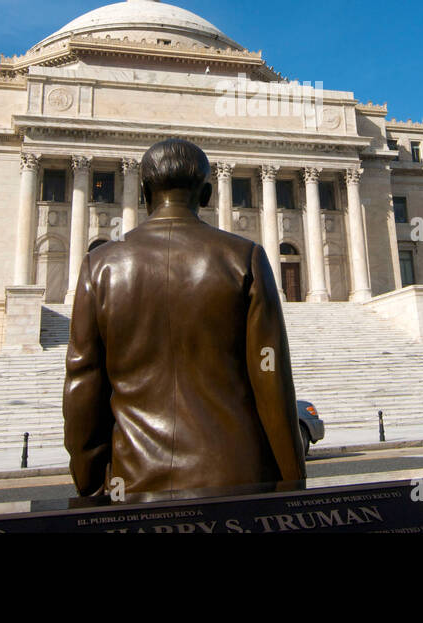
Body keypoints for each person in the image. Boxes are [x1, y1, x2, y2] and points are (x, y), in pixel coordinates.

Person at [64, 138, 305, 497]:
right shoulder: (245, 258)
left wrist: (90, 481)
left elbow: (83, 384)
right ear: (207, 195)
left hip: (133, 481)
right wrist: (291, 480)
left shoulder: (100, 266)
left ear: (144, 192)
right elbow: (271, 378)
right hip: (236, 479)